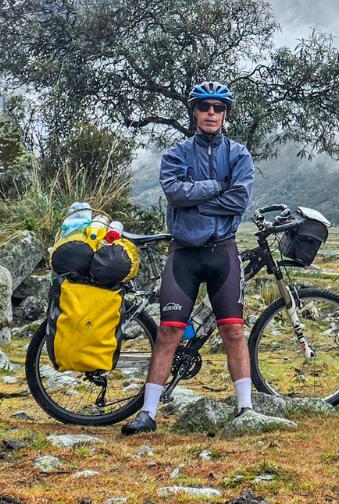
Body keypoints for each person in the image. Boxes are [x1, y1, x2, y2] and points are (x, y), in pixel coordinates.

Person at [122, 81, 255, 435]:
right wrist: (216, 187)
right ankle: (148, 413)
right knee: (168, 332)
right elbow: (175, 193)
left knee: (233, 330)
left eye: (218, 107)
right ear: (195, 112)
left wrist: (196, 200)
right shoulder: (177, 154)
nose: (211, 112)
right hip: (184, 253)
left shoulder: (239, 154)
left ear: (225, 114)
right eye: (204, 106)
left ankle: (246, 409)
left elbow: (239, 200)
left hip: (222, 250)